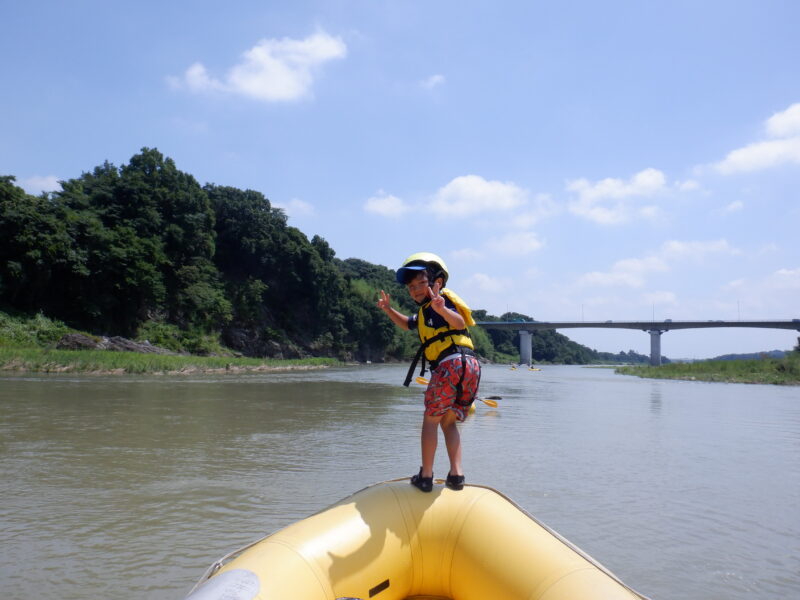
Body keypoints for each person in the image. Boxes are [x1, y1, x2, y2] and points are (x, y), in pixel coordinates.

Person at [377, 252, 481, 492]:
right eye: (411, 287)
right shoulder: (427, 311)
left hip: (449, 366)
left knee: (430, 421)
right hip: (470, 367)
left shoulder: (442, 302)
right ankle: (456, 476)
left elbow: (459, 323)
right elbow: (407, 323)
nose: (415, 290)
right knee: (449, 422)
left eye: (421, 283)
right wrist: (388, 309)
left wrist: (442, 309)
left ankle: (425, 476)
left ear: (438, 282)